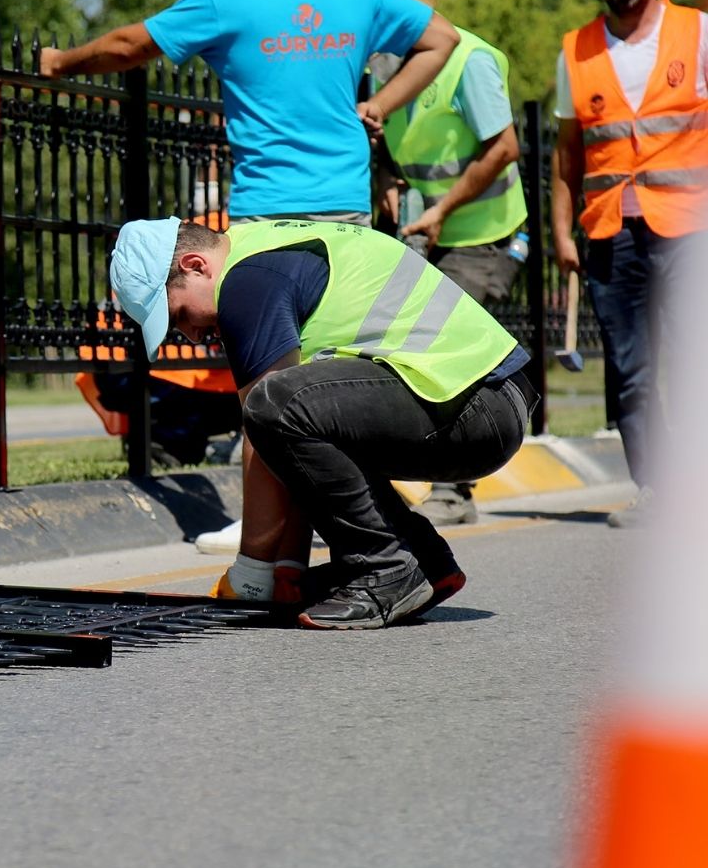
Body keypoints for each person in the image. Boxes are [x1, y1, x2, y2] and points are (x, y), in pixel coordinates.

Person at [109, 216, 534, 628]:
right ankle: (423, 561)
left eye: (179, 315)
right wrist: (288, 570)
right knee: (294, 410)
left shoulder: (246, 282)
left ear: (195, 266)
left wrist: (252, 572)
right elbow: (293, 452)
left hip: (474, 407)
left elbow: (265, 429)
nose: (193, 335)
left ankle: (387, 568)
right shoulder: (259, 246)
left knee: (271, 403)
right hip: (484, 401)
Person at [38, 0, 459, 227]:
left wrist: (60, 62)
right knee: (337, 327)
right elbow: (443, 39)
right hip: (344, 205)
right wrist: (379, 106)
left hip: (264, 211)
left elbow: (131, 46)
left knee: (269, 327)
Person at [552, 0, 708, 528]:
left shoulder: (696, 33)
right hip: (611, 232)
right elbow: (567, 153)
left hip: (691, 227)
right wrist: (563, 232)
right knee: (630, 366)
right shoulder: (577, 49)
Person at [375, 0, 530, 526]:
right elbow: (380, 140)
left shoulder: (470, 60)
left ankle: (453, 489)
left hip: (485, 233)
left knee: (451, 348)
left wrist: (442, 211)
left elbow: (505, 147)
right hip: (426, 231)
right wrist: (386, 179)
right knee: (405, 347)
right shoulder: (386, 63)